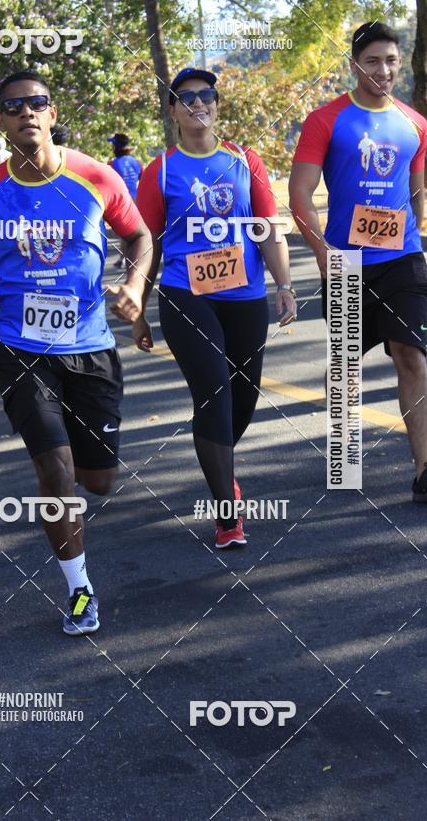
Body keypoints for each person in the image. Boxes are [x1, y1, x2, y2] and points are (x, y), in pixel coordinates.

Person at [0, 70, 152, 635]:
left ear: (52, 112)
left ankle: (73, 500)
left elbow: (138, 235)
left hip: (89, 345)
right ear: (3, 120)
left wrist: (135, 288)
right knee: (53, 467)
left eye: (36, 103)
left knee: (98, 479)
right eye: (13, 107)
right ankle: (79, 588)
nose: (26, 113)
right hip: (19, 346)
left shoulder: (95, 175)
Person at [136, 67, 296, 548]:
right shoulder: (160, 170)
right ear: (172, 111)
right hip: (187, 295)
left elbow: (267, 226)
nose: (197, 103)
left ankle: (221, 465)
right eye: (186, 98)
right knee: (214, 393)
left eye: (206, 95)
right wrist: (139, 306)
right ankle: (227, 512)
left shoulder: (245, 161)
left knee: (240, 401)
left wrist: (284, 285)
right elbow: (146, 244)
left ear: (217, 104)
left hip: (245, 296)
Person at [289, 21, 427, 503]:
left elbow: (416, 191)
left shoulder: (415, 122)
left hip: (403, 259)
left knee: (411, 355)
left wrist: (411, 227)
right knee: (347, 364)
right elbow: (300, 195)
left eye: (392, 60)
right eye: (373, 61)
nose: (384, 70)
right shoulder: (326, 120)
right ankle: (345, 456)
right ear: (354, 65)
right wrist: (321, 252)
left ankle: (425, 470)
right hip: (346, 263)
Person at [107, 133, 143, 269]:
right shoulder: (137, 162)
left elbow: (108, 184)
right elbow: (143, 180)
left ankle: (125, 259)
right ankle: (130, 259)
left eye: (112, 145)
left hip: (123, 202)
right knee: (134, 232)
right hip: (137, 200)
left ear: (116, 147)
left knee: (125, 232)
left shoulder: (112, 164)